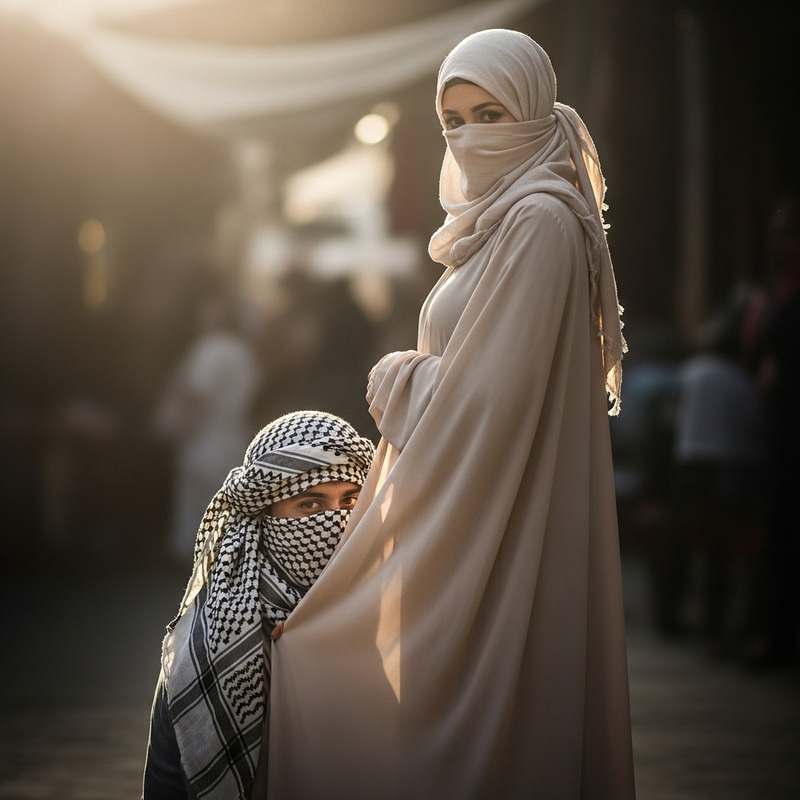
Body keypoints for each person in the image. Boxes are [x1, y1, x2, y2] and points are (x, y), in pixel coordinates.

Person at [266, 29, 635, 800]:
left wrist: (402, 375)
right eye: (455, 121)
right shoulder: (499, 228)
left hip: (499, 518)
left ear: (536, 112)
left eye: (492, 114)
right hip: (469, 508)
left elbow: (492, 403)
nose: (471, 138)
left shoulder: (539, 222)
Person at [141, 410, 375, 799]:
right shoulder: (211, 639)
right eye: (310, 506)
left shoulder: (391, 614)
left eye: (350, 500)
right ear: (264, 516)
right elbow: (167, 781)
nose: (336, 522)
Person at [155, 296, 262, 564]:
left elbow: (195, 394)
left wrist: (176, 428)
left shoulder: (210, 348)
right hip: (235, 440)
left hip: (204, 438)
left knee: (196, 514)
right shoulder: (244, 351)